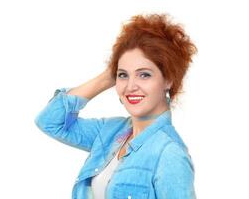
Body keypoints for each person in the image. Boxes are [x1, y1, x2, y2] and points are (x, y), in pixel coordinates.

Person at [35, 13, 197, 199]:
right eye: (123, 75)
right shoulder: (108, 132)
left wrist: (123, 70)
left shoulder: (169, 154)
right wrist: (108, 76)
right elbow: (49, 121)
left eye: (144, 75)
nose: (130, 86)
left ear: (168, 79)